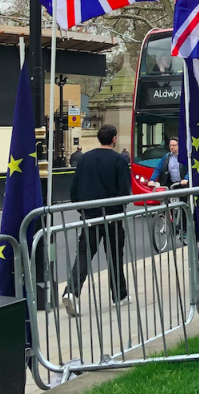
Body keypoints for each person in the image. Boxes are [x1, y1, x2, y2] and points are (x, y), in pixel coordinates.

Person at [61, 125, 132, 317]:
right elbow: (125, 192)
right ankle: (119, 294)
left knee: (83, 256)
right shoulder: (119, 160)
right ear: (114, 139)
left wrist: (82, 209)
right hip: (112, 217)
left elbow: (74, 189)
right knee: (115, 256)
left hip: (90, 217)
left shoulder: (84, 159)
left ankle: (71, 291)